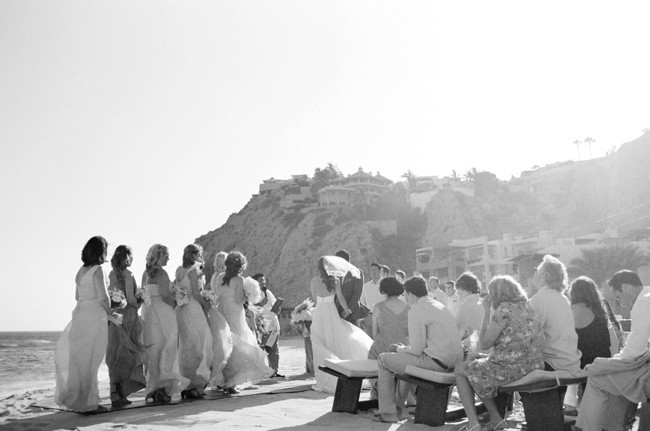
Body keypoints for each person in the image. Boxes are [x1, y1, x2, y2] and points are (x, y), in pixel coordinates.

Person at [455, 275, 544, 431]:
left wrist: (486, 312)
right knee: (478, 368)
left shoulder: (504, 309)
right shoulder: (528, 307)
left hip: (512, 369)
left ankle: (474, 423)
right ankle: (496, 419)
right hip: (533, 365)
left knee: (462, 369)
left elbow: (485, 343)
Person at [376, 276, 463, 423]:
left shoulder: (416, 310)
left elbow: (417, 350)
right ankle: (397, 406)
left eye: (405, 295)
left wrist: (398, 349)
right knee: (407, 363)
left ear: (410, 294)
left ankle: (388, 413)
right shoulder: (439, 306)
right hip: (454, 364)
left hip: (437, 364)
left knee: (383, 359)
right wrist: (403, 350)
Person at [576, 270, 650, 431]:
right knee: (617, 381)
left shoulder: (643, 303)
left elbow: (634, 351)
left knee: (597, 378)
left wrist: (605, 364)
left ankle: (587, 428)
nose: (620, 303)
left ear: (625, 287)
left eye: (618, 297)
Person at [55, 236, 112, 412]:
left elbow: (77, 296)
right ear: (101, 251)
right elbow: (103, 296)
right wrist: (111, 311)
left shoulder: (81, 271)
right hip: (95, 315)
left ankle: (80, 400)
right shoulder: (98, 270)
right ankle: (90, 403)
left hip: (80, 314)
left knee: (80, 361)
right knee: (93, 359)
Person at [311, 256, 373, 394]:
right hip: (331, 312)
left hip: (319, 313)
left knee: (319, 342)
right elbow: (340, 297)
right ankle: (339, 368)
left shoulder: (314, 281)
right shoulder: (335, 280)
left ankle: (322, 378)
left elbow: (315, 300)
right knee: (335, 340)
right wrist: (347, 310)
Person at [214, 252, 273, 394]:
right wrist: (248, 295)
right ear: (239, 266)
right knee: (240, 345)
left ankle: (226, 381)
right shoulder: (238, 280)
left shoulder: (220, 277)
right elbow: (239, 299)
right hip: (235, 313)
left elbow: (218, 294)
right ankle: (233, 382)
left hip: (222, 311)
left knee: (225, 345)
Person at [563, 276, 617, 414]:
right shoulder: (600, 307)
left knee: (591, 402)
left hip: (584, 361)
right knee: (601, 400)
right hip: (603, 358)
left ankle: (573, 410)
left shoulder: (571, 309)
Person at [141, 244, 184, 403]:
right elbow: (166, 296)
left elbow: (144, 294)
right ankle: (164, 387)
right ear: (159, 256)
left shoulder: (145, 273)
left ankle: (152, 388)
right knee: (169, 346)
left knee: (154, 350)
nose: (168, 258)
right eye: (166, 255)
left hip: (149, 313)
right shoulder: (162, 273)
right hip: (164, 312)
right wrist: (179, 301)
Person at [106, 245, 147, 408]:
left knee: (115, 352)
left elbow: (111, 296)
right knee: (128, 353)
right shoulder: (129, 275)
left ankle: (114, 392)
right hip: (128, 317)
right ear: (127, 257)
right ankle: (120, 392)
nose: (133, 259)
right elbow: (131, 300)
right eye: (131, 255)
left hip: (114, 316)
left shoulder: (111, 274)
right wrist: (141, 300)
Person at [529, 255, 581, 372]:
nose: (534, 272)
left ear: (543, 276)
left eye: (536, 270)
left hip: (554, 364)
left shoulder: (539, 299)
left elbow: (530, 335)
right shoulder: (562, 298)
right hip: (571, 362)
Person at [175, 244, 213, 399]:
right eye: (200, 254)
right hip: (194, 309)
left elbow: (177, 288)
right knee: (201, 344)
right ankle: (196, 385)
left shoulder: (178, 270)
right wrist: (208, 304)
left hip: (181, 309)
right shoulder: (193, 270)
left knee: (186, 347)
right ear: (195, 255)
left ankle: (186, 384)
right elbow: (197, 294)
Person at [368, 277, 410, 400]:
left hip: (382, 348)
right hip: (402, 349)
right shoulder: (408, 307)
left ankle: (377, 392)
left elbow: (375, 334)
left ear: (383, 290)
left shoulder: (378, 307)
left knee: (374, 353)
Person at [206, 251, 233, 389]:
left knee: (220, 345)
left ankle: (219, 379)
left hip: (217, 311)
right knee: (223, 345)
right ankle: (222, 379)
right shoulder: (221, 277)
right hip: (222, 311)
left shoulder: (215, 276)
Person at [253, 273, 284, 378]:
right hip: (262, 326)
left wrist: (277, 309)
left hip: (273, 325)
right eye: (261, 280)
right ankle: (261, 373)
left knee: (274, 350)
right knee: (261, 350)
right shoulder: (253, 293)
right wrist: (261, 303)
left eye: (264, 280)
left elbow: (273, 305)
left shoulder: (268, 292)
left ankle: (274, 371)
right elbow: (251, 308)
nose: (263, 282)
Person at [332, 249, 366, 326]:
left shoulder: (357, 272)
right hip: (336, 311)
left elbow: (357, 293)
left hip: (352, 311)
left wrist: (348, 309)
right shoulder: (334, 274)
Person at [454, 272, 485, 350]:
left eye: (459, 288)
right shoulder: (484, 302)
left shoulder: (464, 306)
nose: (457, 292)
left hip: (479, 351)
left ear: (468, 289)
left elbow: (454, 335)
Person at [360, 263, 385, 338]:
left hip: (383, 316)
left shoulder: (385, 284)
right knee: (369, 340)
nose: (373, 272)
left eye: (375, 269)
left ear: (380, 271)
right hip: (369, 316)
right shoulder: (366, 286)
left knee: (382, 339)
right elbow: (362, 302)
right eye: (371, 270)